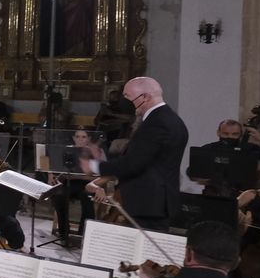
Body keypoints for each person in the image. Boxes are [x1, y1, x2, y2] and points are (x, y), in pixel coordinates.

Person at [78, 76, 188, 230]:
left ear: (145, 97)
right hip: (151, 202)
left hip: (149, 203)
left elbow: (133, 164)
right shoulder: (167, 118)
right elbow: (143, 156)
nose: (124, 102)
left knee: (145, 245)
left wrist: (94, 166)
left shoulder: (158, 123)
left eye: (127, 96)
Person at [49, 128, 102, 241]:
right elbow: (56, 167)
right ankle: (64, 232)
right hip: (69, 182)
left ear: (88, 138)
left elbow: (98, 175)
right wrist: (52, 174)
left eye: (83, 137)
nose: (80, 139)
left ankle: (84, 234)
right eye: (77, 137)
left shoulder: (94, 151)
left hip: (87, 183)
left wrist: (79, 176)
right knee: (58, 196)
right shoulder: (67, 150)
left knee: (87, 198)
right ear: (73, 138)